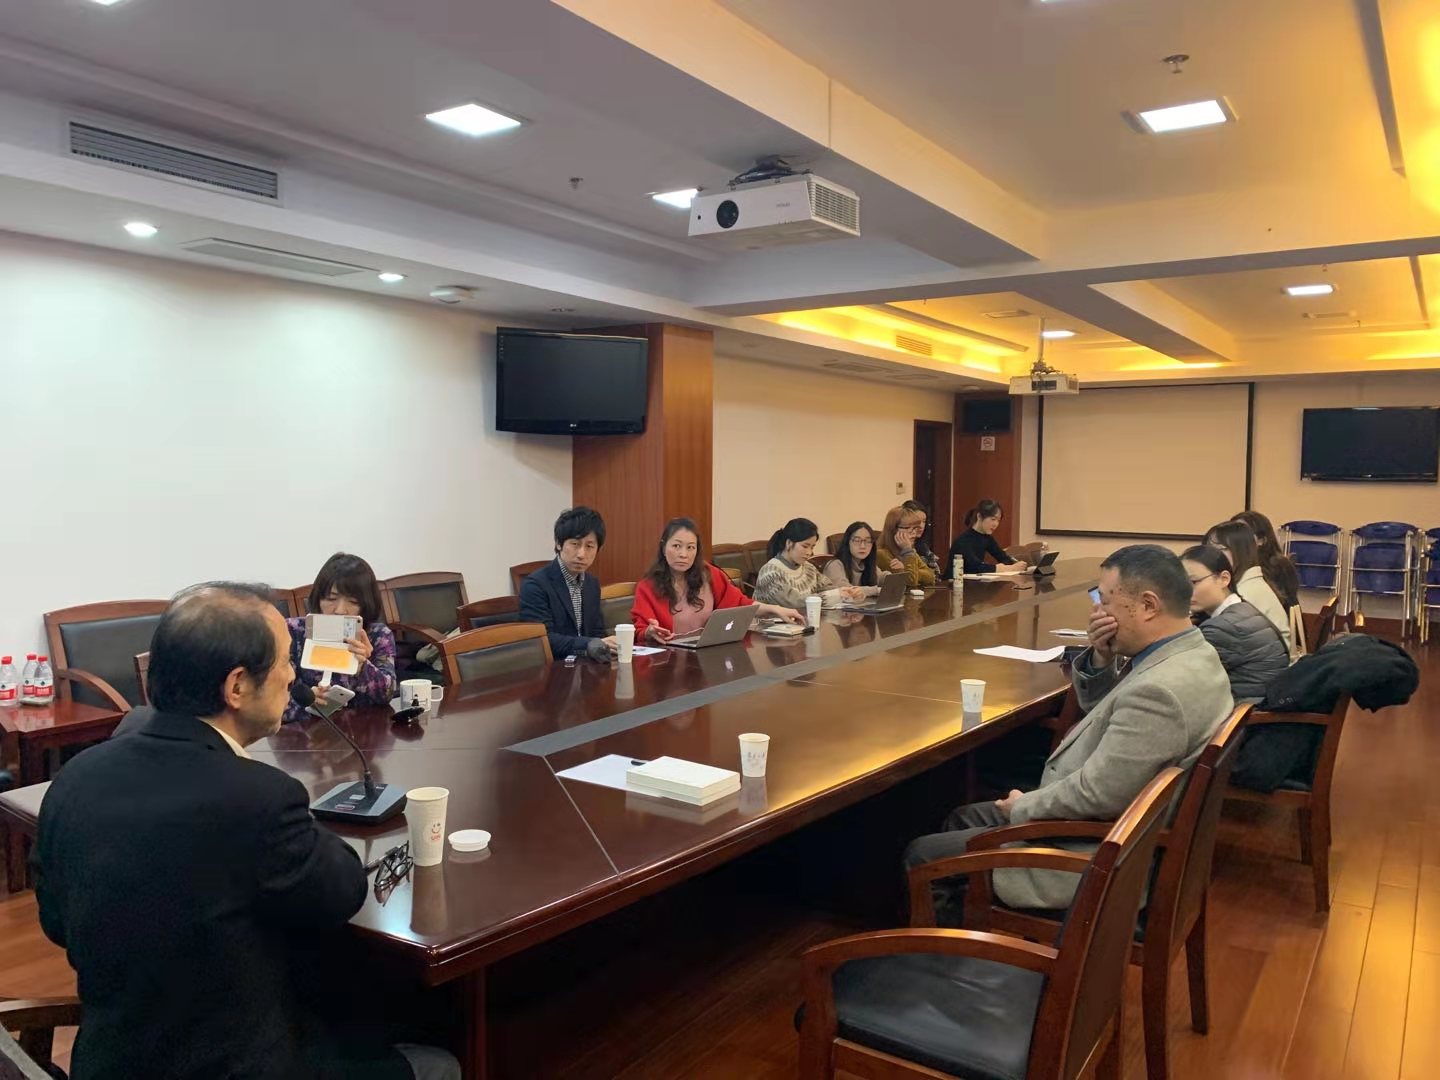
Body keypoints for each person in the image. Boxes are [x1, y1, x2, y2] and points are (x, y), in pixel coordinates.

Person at [35, 583, 459, 1080]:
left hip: (113, 1059)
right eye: (284, 661)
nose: (293, 674)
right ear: (236, 686)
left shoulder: (74, 779)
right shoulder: (257, 797)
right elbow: (343, 889)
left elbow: (57, 923)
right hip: (238, 1062)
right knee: (440, 1064)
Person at [905, 545, 1233, 917]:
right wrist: (1101, 657)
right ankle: (966, 922)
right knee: (962, 819)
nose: (1097, 614)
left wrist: (1024, 806)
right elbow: (1106, 714)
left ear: (1147, 605)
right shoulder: (1194, 655)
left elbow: (1099, 795)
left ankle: (952, 950)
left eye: (1105, 602)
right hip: (1119, 824)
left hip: (1095, 851)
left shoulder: (1160, 692)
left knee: (923, 854)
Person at [631, 518, 803, 643]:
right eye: (676, 546)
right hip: (668, 660)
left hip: (707, 654)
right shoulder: (647, 587)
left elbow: (740, 604)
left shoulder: (709, 574)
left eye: (690, 547)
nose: (683, 554)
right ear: (663, 547)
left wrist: (776, 609)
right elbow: (639, 631)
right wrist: (649, 632)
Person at [285, 552, 397, 723]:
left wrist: (362, 667)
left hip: (362, 728)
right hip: (306, 731)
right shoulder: (293, 632)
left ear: (366, 604)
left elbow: (387, 694)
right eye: (331, 599)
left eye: (353, 602)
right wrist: (306, 705)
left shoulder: (378, 635)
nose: (339, 610)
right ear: (318, 598)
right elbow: (273, 702)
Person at [1182, 544, 1290, 704]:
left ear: (1224, 579)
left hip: (1246, 714)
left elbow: (1186, 680)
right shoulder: (1242, 609)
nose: (1185, 591)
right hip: (1259, 706)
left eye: (1193, 582)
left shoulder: (1223, 627)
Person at [520, 506, 617, 661]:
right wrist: (588, 643)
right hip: (554, 669)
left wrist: (608, 644)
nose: (581, 554)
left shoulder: (592, 584)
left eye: (589, 546)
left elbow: (596, 631)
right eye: (575, 544)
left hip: (587, 667)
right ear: (559, 544)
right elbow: (542, 640)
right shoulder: (535, 585)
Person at [1206, 520, 1291, 654]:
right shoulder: (1249, 582)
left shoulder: (1245, 592)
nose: (1209, 556)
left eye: (1218, 549)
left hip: (1266, 663)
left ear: (1239, 551)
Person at [753, 517, 864, 609]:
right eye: (805, 546)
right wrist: (835, 595)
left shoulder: (809, 568)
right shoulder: (770, 572)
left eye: (812, 547)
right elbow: (794, 603)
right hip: (772, 627)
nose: (809, 552)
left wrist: (848, 594)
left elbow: (828, 588)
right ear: (789, 543)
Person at [1231, 509, 1301, 610]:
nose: (1235, 540)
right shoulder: (1233, 563)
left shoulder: (1276, 565)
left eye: (1242, 534)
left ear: (1261, 540)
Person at [947, 499, 1028, 577]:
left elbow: (1003, 557)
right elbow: (975, 567)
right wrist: (1004, 568)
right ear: (979, 516)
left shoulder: (987, 538)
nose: (996, 524)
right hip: (954, 583)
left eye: (998, 520)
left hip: (974, 583)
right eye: (993, 519)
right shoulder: (963, 541)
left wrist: (1016, 565)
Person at [876, 506, 937, 588]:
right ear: (893, 529)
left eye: (915, 528)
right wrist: (908, 551)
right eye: (907, 528)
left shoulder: (909, 550)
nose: (914, 533)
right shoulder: (881, 554)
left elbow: (931, 576)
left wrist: (906, 569)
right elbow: (910, 582)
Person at [822, 521, 885, 596]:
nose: (863, 546)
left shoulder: (866, 564)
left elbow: (883, 577)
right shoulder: (834, 565)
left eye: (868, 541)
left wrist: (894, 578)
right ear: (847, 542)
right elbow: (848, 591)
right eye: (857, 540)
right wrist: (876, 590)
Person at [901, 499, 943, 577]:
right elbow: (909, 575)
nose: (921, 526)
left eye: (924, 521)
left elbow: (934, 574)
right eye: (917, 521)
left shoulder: (922, 546)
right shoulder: (898, 546)